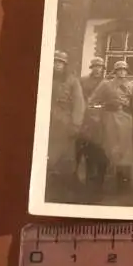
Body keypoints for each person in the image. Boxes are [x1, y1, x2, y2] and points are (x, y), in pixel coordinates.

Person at [88, 60, 133, 193]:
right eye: (119, 70)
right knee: (107, 150)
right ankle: (100, 184)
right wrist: (102, 110)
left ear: (127, 72)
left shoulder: (132, 87)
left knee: (125, 153)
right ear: (115, 71)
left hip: (126, 121)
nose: (122, 72)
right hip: (109, 120)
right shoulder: (106, 84)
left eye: (124, 70)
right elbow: (92, 103)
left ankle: (123, 184)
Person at [46, 50, 85, 203]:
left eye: (60, 62)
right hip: (47, 122)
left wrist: (76, 124)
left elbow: (79, 104)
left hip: (64, 123)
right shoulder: (45, 77)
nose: (57, 65)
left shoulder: (72, 81)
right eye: (55, 62)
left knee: (65, 158)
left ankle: (63, 192)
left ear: (65, 65)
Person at [77, 56, 108, 198]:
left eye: (100, 67)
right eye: (95, 66)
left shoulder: (106, 83)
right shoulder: (82, 81)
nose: (97, 69)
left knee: (102, 153)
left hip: (103, 121)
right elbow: (79, 99)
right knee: (88, 152)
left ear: (103, 69)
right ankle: (89, 183)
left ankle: (100, 184)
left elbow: (110, 100)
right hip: (87, 120)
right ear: (91, 68)